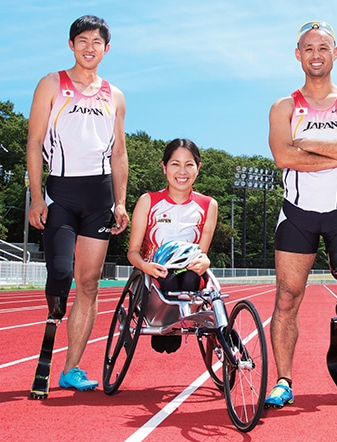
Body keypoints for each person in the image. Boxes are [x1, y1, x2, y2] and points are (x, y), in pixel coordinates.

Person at [264, 21, 337, 408]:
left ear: (336, 53)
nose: (316, 54)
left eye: (323, 48)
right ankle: (283, 380)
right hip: (297, 214)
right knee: (287, 298)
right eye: (308, 48)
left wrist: (308, 143)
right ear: (298, 54)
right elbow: (283, 157)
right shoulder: (283, 107)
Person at [27, 15, 128, 391]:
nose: (90, 47)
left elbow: (119, 153)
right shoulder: (52, 84)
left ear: (107, 48)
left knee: (88, 284)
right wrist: (37, 196)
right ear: (71, 45)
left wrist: (120, 201)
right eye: (82, 40)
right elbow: (34, 142)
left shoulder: (115, 95)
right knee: (60, 274)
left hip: (99, 196)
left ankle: (71, 368)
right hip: (61, 193)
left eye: (97, 42)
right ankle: (54, 308)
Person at [126, 138, 218, 353]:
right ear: (164, 167)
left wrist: (206, 260)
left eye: (189, 165)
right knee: (166, 278)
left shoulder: (208, 205)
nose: (182, 171)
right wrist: (146, 267)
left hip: (188, 274)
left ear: (198, 168)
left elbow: (202, 254)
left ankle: (181, 321)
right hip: (154, 274)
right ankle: (164, 322)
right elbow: (132, 252)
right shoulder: (148, 201)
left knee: (190, 277)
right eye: (175, 164)